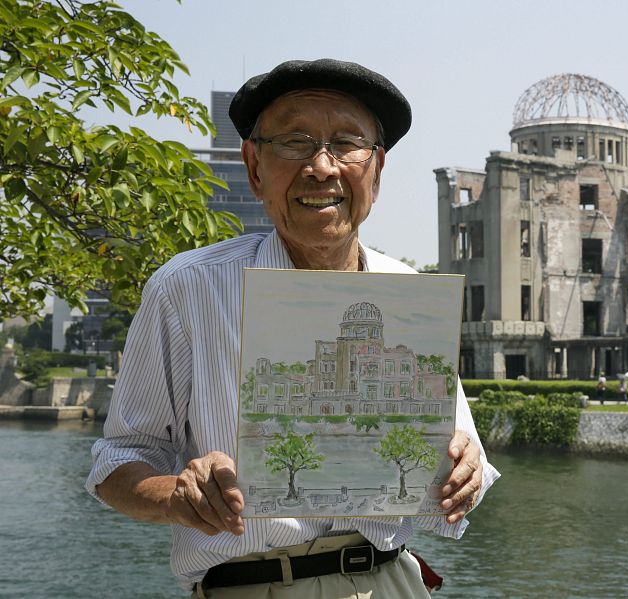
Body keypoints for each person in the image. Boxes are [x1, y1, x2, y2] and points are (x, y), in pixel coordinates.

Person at [86, 59, 500, 598]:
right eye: (295, 141)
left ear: (376, 170)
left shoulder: (407, 291)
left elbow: (462, 450)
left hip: (393, 583)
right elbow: (118, 461)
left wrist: (467, 471)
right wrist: (177, 494)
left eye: (347, 143)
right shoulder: (188, 289)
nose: (322, 167)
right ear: (254, 166)